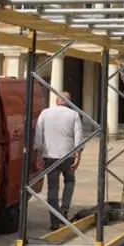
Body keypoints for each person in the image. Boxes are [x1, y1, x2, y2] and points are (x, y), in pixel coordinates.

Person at [35, 92, 83, 230]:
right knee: (69, 181)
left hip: (49, 155)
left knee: (52, 187)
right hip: (68, 155)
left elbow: (39, 135)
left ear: (56, 101)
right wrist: (78, 156)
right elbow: (78, 137)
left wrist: (39, 154)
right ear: (68, 102)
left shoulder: (45, 113)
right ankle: (64, 210)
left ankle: (54, 220)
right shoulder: (73, 115)